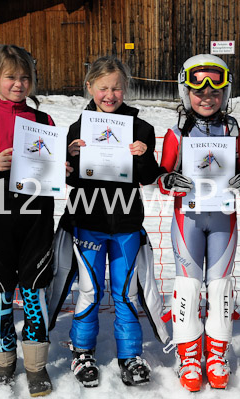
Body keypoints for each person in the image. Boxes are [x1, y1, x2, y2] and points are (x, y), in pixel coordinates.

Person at [0, 45, 69, 397]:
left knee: (34, 288)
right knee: (1, 292)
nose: (18, 84)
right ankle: (4, 360)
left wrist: (61, 168)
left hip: (35, 217)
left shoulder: (43, 121)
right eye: (10, 77)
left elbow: (53, 166)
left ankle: (36, 365)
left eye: (24, 78)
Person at [57, 55, 161, 388]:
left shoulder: (142, 128)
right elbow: (70, 180)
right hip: (88, 220)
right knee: (89, 288)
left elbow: (148, 177)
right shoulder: (78, 129)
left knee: (126, 291)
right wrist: (69, 160)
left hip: (127, 223)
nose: (110, 95)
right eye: (103, 88)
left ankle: (130, 354)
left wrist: (143, 156)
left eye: (116, 88)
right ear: (90, 87)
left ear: (125, 88)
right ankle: (82, 350)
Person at [156, 54, 240, 392]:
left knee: (220, 285)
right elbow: (161, 174)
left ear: (225, 93)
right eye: (199, 91)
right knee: (188, 284)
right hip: (189, 218)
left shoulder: (233, 128)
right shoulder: (176, 131)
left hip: (223, 218)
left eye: (215, 91)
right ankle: (188, 354)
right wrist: (169, 182)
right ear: (186, 92)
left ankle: (216, 353)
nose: (207, 96)